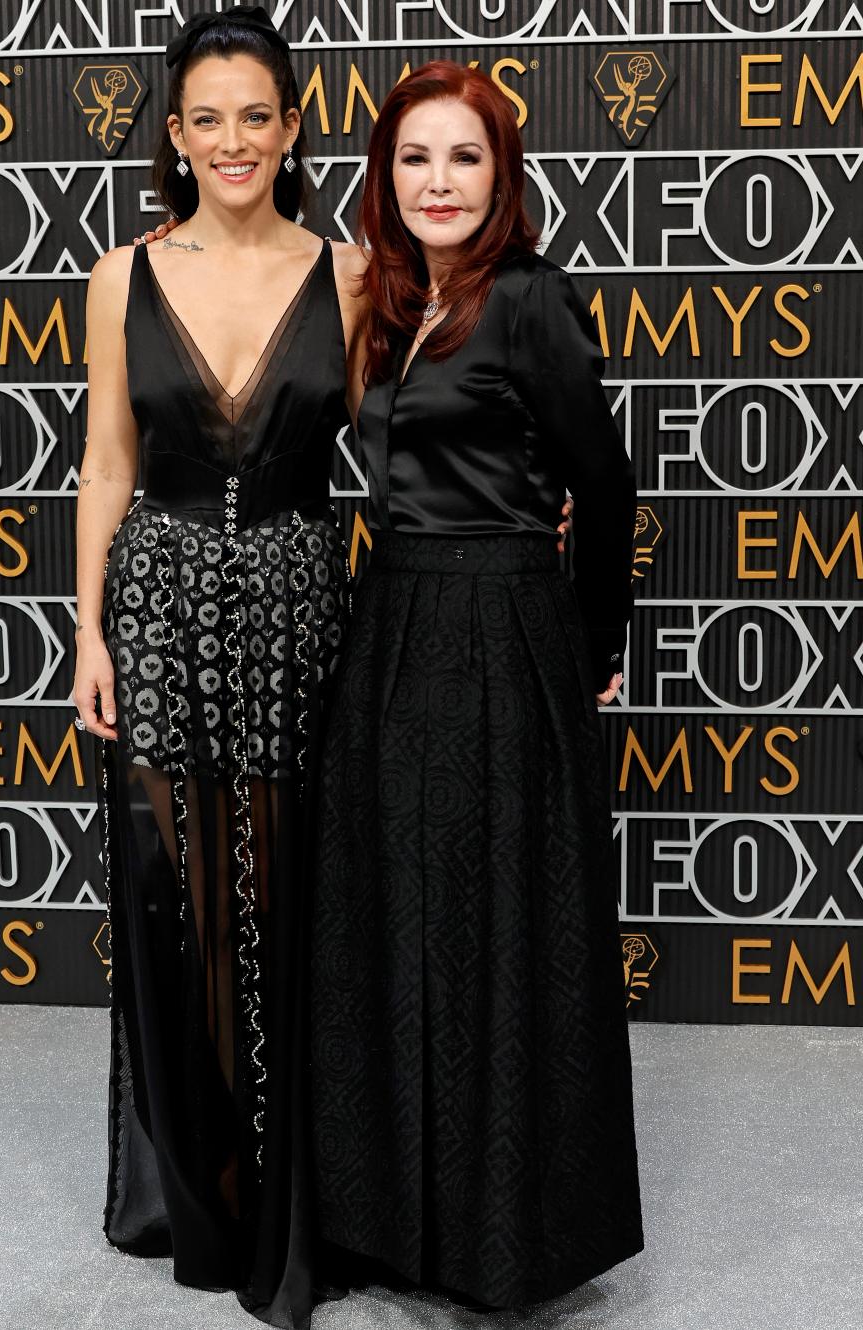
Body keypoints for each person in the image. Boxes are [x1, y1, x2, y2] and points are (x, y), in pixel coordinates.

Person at [310, 61, 644, 1309]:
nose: (437, 181)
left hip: (506, 625)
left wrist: (594, 642)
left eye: (462, 157)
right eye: (412, 158)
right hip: (388, 618)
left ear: (500, 175)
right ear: (382, 177)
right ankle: (387, 1221)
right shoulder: (384, 301)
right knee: (391, 921)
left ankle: (505, 1238)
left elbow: (602, 489)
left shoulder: (530, 299)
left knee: (500, 934)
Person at [71, 9, 367, 1326]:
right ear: (176, 135)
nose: (234, 139)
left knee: (297, 886)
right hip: (163, 599)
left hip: (306, 600)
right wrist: (88, 629)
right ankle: (192, 1182)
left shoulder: (355, 275)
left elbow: (412, 448)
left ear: (292, 128)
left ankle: (301, 1185)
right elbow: (109, 466)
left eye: (259, 114)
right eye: (208, 118)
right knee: (177, 890)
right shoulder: (122, 273)